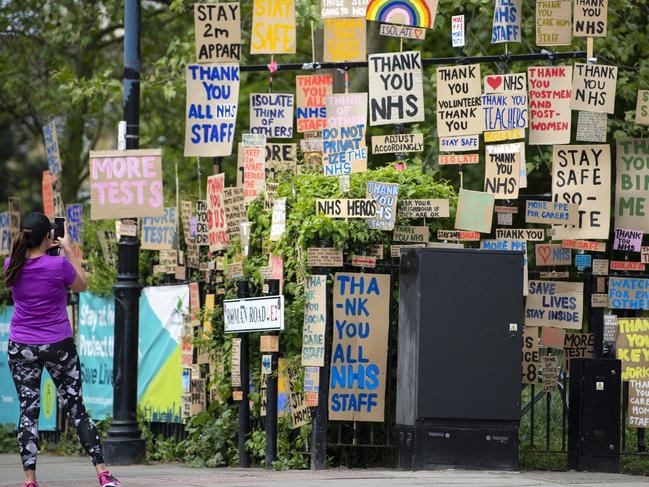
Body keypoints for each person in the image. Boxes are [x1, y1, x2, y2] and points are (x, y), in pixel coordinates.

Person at [3, 213, 121, 487]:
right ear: (49, 237)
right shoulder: (58, 266)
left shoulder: (12, 264)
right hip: (58, 345)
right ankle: (102, 473)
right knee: (76, 408)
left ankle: (30, 480)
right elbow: (82, 284)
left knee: (28, 410)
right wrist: (69, 250)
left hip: (21, 346)